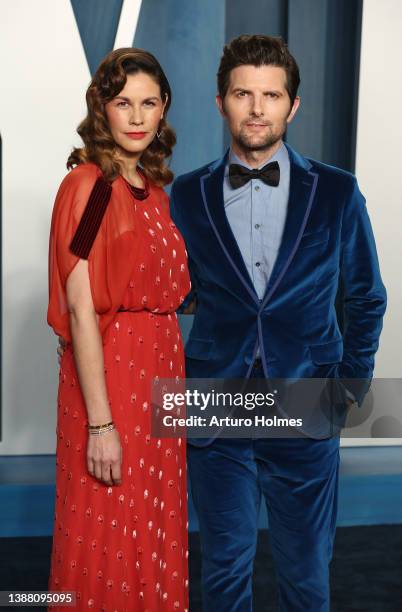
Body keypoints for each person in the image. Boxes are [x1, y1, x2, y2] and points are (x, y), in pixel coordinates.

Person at [170, 35, 386, 611]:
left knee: (308, 576)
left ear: (293, 106)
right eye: (244, 93)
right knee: (222, 571)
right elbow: (172, 293)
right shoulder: (186, 195)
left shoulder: (337, 190)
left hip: (307, 397)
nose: (257, 108)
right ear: (221, 102)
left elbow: (366, 295)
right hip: (216, 402)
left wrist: (350, 385)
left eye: (271, 95)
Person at [47, 47, 190, 611]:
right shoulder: (91, 187)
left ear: (163, 111)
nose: (136, 116)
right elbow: (80, 308)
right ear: (101, 108)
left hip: (161, 377)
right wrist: (101, 423)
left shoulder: (153, 192)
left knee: (154, 525)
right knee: (109, 528)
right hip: (112, 380)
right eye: (122, 102)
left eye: (148, 104)